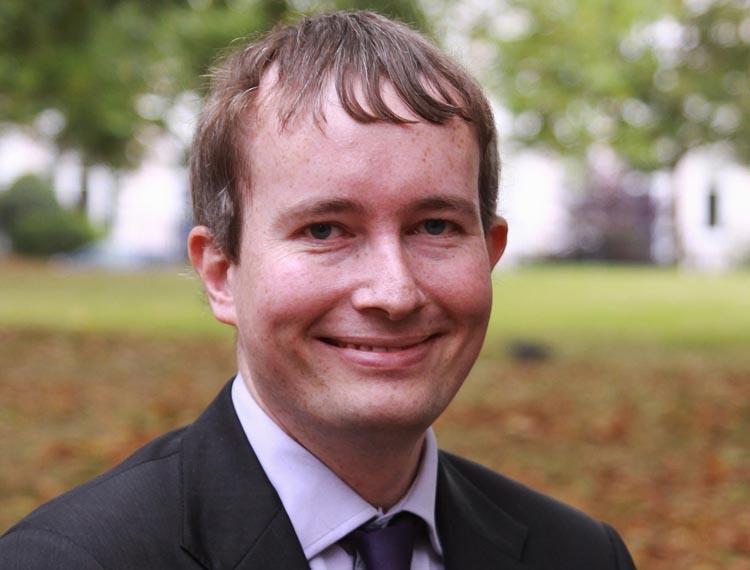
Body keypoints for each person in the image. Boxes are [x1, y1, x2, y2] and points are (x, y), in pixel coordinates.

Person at [0, 11, 636, 570]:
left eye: (435, 226)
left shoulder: (580, 555)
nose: (394, 292)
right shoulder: (73, 560)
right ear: (221, 273)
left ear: (490, 253)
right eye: (325, 229)